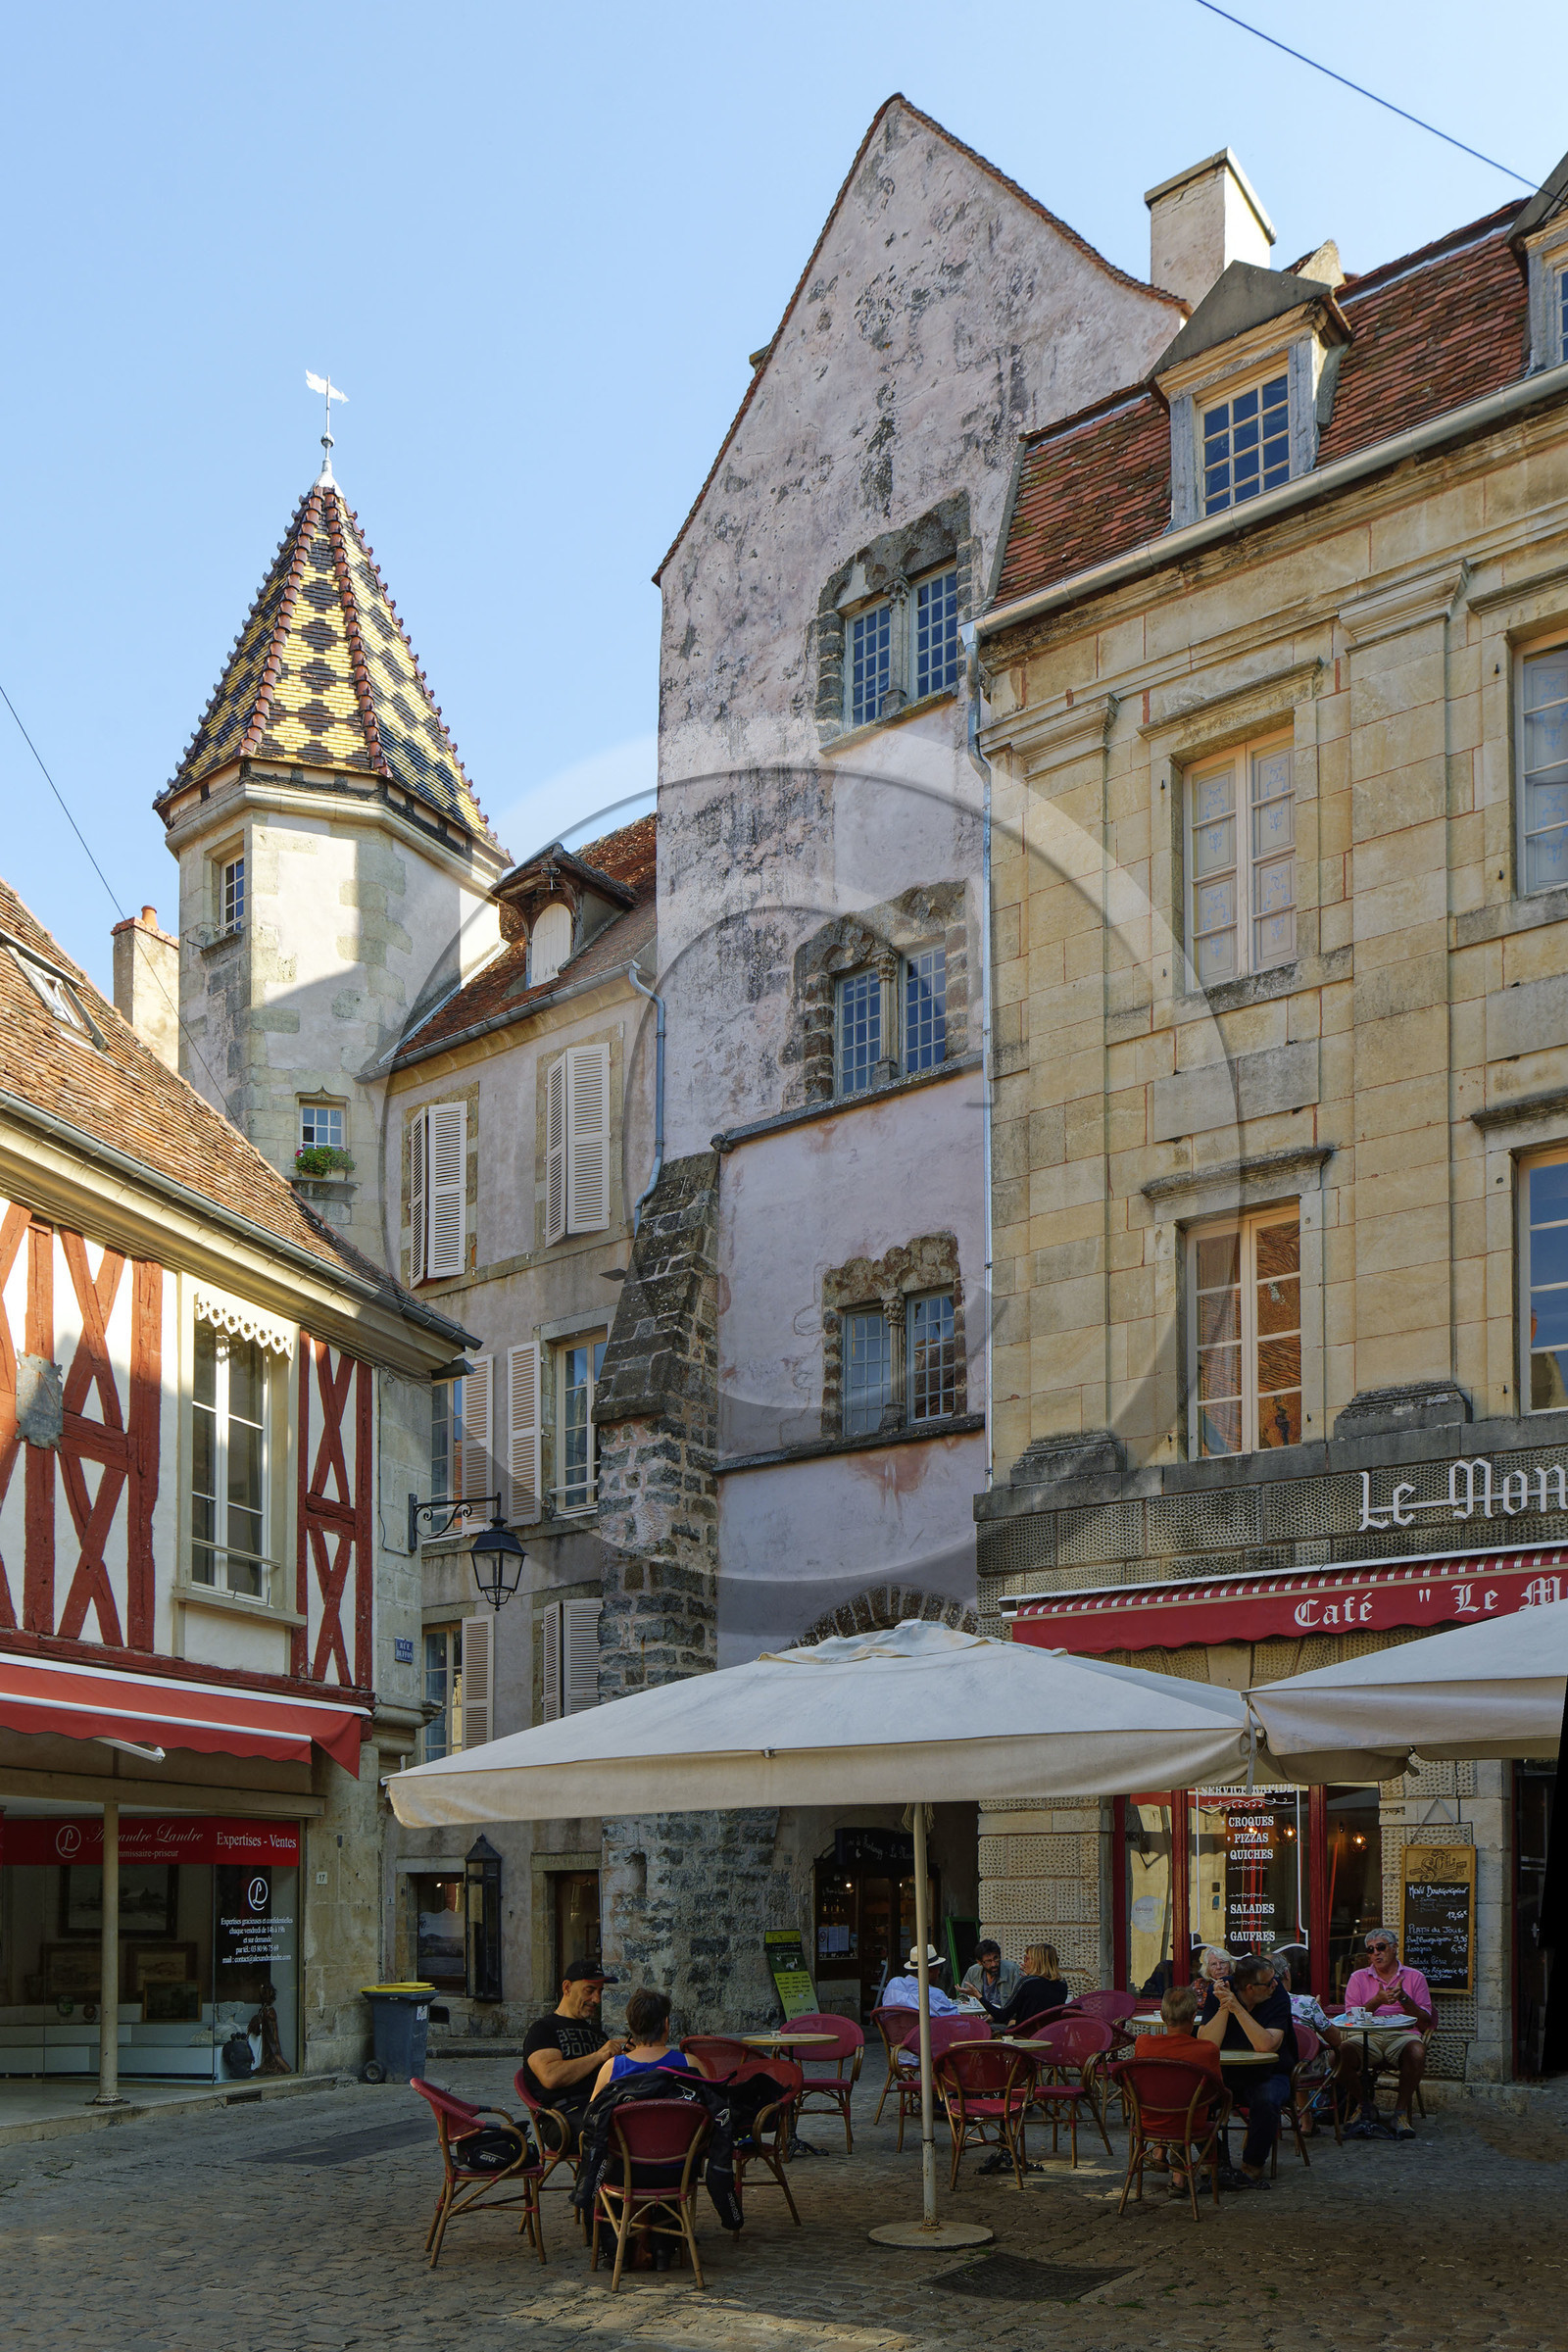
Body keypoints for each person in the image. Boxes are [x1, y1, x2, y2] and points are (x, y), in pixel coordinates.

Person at [1198, 1952, 1297, 2189]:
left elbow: (1266, 2045)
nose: (1276, 1984)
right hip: (1227, 2073)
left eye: (1275, 1979)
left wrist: (1238, 2009)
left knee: (1267, 2099)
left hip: (1270, 2072)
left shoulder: (1277, 1996)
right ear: (1250, 1987)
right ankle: (1215, 2159)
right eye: (1269, 1981)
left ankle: (1251, 2166)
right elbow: (1206, 2044)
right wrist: (1224, 2007)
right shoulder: (1219, 1991)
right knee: (1194, 2095)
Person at [519, 1959, 626, 2151]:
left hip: (601, 2107)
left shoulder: (598, 2034)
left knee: (645, 2121)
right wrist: (599, 2056)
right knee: (609, 2131)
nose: (597, 1999)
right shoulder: (544, 2030)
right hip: (563, 2116)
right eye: (589, 1990)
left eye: (600, 1992)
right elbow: (551, 2076)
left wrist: (629, 2057)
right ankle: (592, 2182)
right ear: (567, 1988)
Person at [1338, 1927, 1433, 2140]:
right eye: (1370, 1950)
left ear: (1394, 1948)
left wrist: (1405, 2000)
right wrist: (1377, 2000)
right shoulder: (1358, 1977)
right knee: (1339, 2054)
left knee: (1417, 2052)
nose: (1375, 1954)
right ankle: (1365, 2105)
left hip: (1402, 2035)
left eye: (1380, 1947)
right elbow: (1350, 2018)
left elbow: (1426, 2020)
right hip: (1366, 2035)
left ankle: (1399, 2113)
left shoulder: (1414, 1977)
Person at [1134, 1983, 1224, 2198]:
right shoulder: (1206, 2050)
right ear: (1194, 2016)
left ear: (1163, 2017)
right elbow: (1216, 2092)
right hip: (1190, 2122)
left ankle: (1163, 2155)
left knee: (1168, 2100)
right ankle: (1179, 2176)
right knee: (1185, 2108)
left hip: (1149, 2120)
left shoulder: (1144, 2043)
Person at [591, 1986, 694, 2097]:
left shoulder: (611, 2068)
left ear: (631, 2026)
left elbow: (593, 2112)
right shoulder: (690, 2063)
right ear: (666, 2023)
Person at [992, 1943, 1072, 2033]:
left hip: (1024, 2035)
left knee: (988, 2028)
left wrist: (978, 1995)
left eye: (1027, 1958)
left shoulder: (1027, 1982)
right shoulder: (1062, 1986)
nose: (1024, 1961)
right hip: (1050, 2034)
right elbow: (1036, 2004)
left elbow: (1002, 2016)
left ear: (1037, 1962)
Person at [881, 1944, 961, 2014]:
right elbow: (956, 2020)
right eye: (938, 1968)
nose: (939, 1972)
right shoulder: (935, 1995)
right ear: (930, 1970)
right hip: (925, 2031)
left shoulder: (893, 1985)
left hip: (897, 2031)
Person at [960, 1938, 1022, 2015]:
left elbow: (1019, 2003)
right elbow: (962, 1999)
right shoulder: (973, 1971)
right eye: (988, 1961)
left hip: (1003, 2019)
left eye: (996, 1958)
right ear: (979, 1962)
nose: (994, 1964)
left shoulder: (1012, 1970)